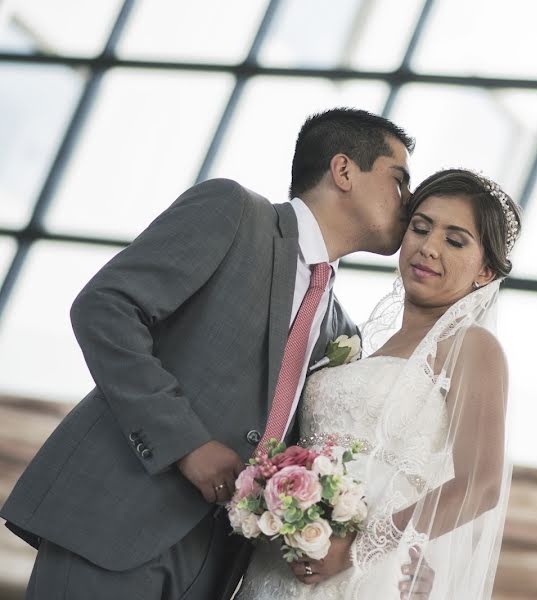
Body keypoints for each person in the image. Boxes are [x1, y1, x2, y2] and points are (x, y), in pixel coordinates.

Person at [0, 107, 436, 599]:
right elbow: (105, 308)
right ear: (343, 171)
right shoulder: (234, 212)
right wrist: (187, 444)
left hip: (218, 563)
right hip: (121, 520)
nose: (409, 202)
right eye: (399, 180)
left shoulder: (341, 330)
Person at [235, 168, 522, 599]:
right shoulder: (360, 342)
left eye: (455, 240)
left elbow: (480, 485)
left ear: (485, 271)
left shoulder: (471, 345)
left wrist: (358, 550)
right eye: (420, 228)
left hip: (365, 573)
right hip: (285, 562)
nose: (428, 247)